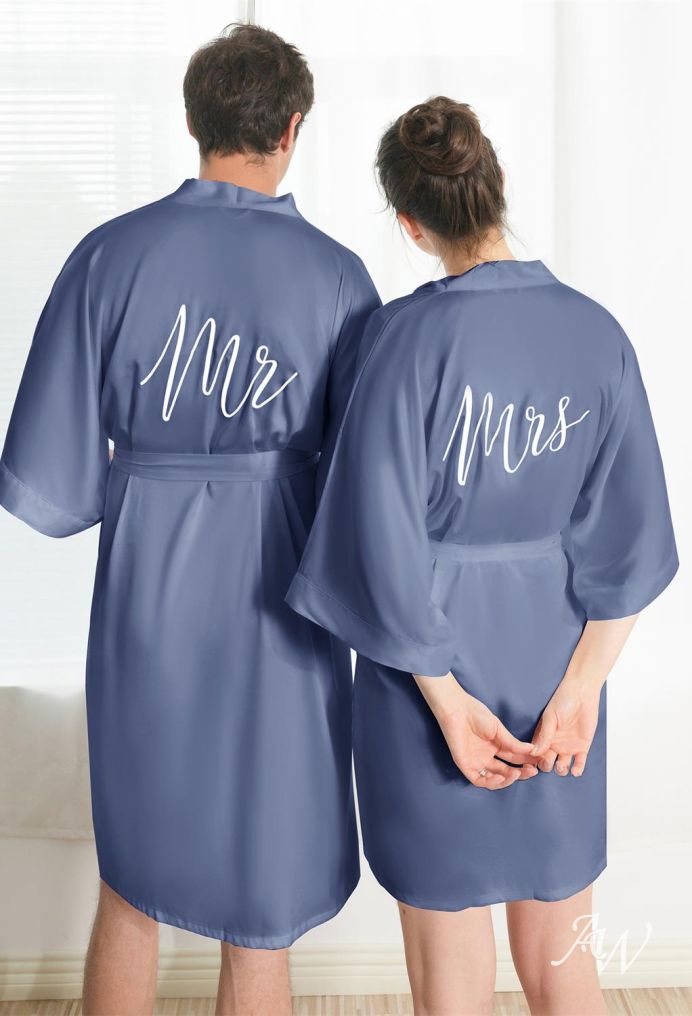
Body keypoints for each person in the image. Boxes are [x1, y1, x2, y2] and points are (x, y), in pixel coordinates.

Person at [0, 24, 379, 1016]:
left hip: (148, 602)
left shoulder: (108, 256)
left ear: (190, 119)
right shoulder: (338, 278)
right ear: (292, 128)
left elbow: (52, 478)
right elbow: (368, 489)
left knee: (132, 887)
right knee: (260, 910)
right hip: (283, 608)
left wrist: (148, 470)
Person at [286, 97, 678, 1015]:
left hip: (427, 670)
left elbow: (373, 542)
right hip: (555, 669)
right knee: (563, 963)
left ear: (411, 223)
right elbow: (632, 538)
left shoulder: (398, 340)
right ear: (496, 185)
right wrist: (580, 691)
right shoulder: (596, 334)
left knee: (450, 985)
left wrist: (448, 704)